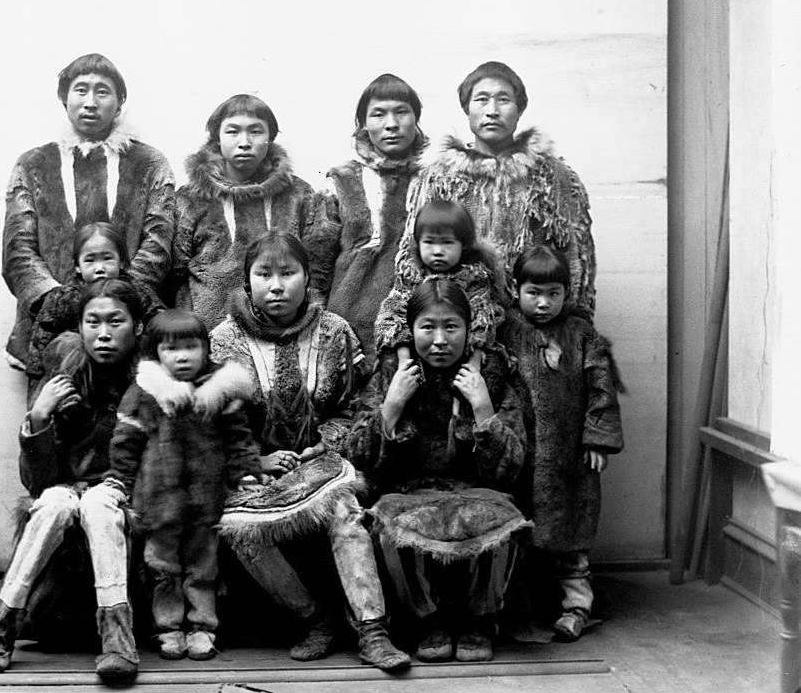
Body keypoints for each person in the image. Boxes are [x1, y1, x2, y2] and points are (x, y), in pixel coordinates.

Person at [209, 230, 410, 671]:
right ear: (248, 282)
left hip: (320, 459)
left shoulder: (335, 332)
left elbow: (355, 405)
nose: (276, 285)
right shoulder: (224, 341)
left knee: (345, 508)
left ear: (306, 279)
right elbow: (219, 424)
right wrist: (254, 461)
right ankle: (314, 618)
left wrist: (327, 442)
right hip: (257, 467)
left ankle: (372, 629)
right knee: (239, 527)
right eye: (264, 274)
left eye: (288, 273)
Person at [0, 279, 147, 683]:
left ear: (136, 327)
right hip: (67, 492)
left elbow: (162, 461)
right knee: (52, 505)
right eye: (92, 322)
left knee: (99, 508)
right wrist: (40, 419)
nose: (103, 333)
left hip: (127, 495)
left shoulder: (152, 382)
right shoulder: (65, 379)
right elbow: (38, 483)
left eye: (115, 321)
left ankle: (118, 640)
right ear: (79, 328)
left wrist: (110, 491)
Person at [346, 279, 529, 663]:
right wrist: (392, 405)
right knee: (388, 523)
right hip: (412, 490)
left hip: (475, 489)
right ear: (411, 331)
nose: (440, 340)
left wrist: (482, 408)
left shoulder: (491, 373)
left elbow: (511, 468)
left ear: (468, 329)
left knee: (504, 520)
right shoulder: (391, 372)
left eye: (452, 327)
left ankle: (481, 621)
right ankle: (428, 622)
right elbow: (359, 457)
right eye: (428, 327)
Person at [2, 52, 175, 383]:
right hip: (51, 324)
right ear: (64, 99)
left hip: (127, 322)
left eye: (103, 91)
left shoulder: (150, 163)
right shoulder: (33, 164)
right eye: (81, 90)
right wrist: (57, 299)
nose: (91, 102)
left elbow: (159, 240)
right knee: (57, 415)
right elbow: (18, 247)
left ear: (120, 102)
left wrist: (121, 299)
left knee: (131, 420)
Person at [104, 309, 262, 661]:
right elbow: (126, 442)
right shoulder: (147, 391)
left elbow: (239, 439)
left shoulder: (218, 391)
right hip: (158, 501)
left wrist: (246, 472)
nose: (183, 356)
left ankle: (203, 627)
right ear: (155, 354)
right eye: (171, 349)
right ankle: (168, 628)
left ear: (206, 349)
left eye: (191, 347)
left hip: (208, 502)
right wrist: (119, 482)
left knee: (204, 568)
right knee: (161, 567)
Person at [397, 60, 595, 320]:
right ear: (467, 108)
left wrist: (572, 333)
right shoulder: (437, 175)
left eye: (503, 99)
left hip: (534, 326)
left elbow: (576, 260)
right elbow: (412, 257)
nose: (492, 110)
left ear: (520, 109)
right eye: (481, 99)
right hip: (459, 330)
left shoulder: (553, 176)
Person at [498, 245, 624, 640]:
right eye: (534, 292)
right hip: (521, 453)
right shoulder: (506, 331)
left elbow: (601, 388)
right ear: (516, 289)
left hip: (569, 458)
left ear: (567, 294)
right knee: (519, 528)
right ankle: (513, 607)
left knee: (571, 532)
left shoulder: (581, 334)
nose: (543, 302)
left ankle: (576, 606)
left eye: (554, 293)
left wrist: (598, 440)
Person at [168, 94, 339, 330]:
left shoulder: (299, 194)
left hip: (285, 330)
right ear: (217, 138)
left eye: (256, 131)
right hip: (208, 332)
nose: (245, 141)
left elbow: (317, 269)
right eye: (233, 131)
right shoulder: (190, 198)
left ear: (271, 138)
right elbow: (175, 272)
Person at [323, 73, 428, 365]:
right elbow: (318, 265)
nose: (391, 124)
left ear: (416, 119)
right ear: (363, 124)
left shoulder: (437, 178)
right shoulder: (342, 181)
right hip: (351, 325)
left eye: (401, 112)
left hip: (424, 326)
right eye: (378, 114)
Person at [26, 222, 161, 380]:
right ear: (78, 266)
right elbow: (43, 333)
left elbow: (159, 323)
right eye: (90, 261)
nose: (99, 268)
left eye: (107, 259)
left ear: (122, 262)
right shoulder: (63, 297)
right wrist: (36, 374)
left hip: (126, 367)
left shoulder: (137, 291)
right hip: (80, 372)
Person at [375, 198, 503, 365]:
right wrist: (404, 360)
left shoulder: (475, 277)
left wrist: (474, 364)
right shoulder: (410, 275)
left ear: (463, 245)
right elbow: (393, 315)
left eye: (447, 243)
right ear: (418, 242)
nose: (437, 251)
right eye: (429, 242)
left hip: (463, 351)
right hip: (420, 348)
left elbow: (484, 320)